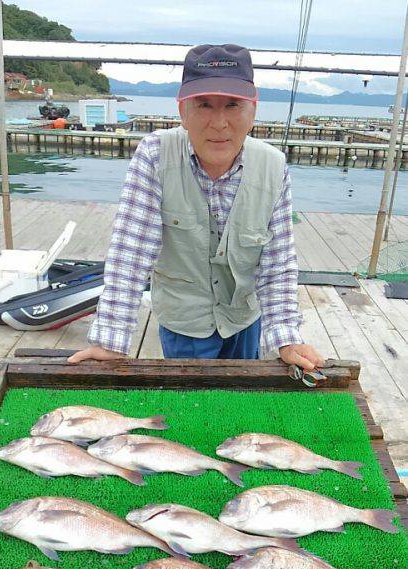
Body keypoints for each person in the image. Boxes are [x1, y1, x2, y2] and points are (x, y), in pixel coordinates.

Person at [69, 43, 323, 370]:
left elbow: (277, 263)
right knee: (189, 404)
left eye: (233, 105)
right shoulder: (155, 156)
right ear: (182, 111)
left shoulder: (274, 167)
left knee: (242, 403)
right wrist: (111, 340)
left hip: (244, 318)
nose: (218, 123)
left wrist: (286, 337)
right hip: (183, 321)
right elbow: (131, 252)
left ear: (253, 110)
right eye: (204, 104)